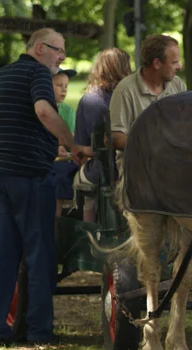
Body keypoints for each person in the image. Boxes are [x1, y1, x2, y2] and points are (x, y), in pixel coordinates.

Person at [0, 28, 81, 346]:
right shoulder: (38, 73)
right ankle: (39, 331)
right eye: (58, 50)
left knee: (0, 252)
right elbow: (44, 111)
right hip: (29, 172)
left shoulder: (4, 74)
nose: (62, 57)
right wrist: (72, 145)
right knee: (40, 253)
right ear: (40, 48)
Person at [110, 34, 186, 175]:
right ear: (157, 63)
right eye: (174, 62)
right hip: (138, 167)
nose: (179, 67)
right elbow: (116, 137)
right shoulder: (126, 90)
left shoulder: (177, 84)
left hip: (174, 163)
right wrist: (153, 147)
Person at [73, 48, 132, 222]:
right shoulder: (129, 95)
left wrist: (80, 150)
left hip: (104, 171)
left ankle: (90, 229)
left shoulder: (89, 100)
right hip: (131, 170)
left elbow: (94, 149)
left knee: (79, 181)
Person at [52, 68, 78, 217]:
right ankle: (56, 217)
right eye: (58, 85)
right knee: (58, 174)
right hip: (47, 157)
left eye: (66, 86)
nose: (64, 90)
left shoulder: (68, 111)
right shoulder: (39, 108)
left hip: (64, 157)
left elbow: (71, 138)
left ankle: (59, 217)